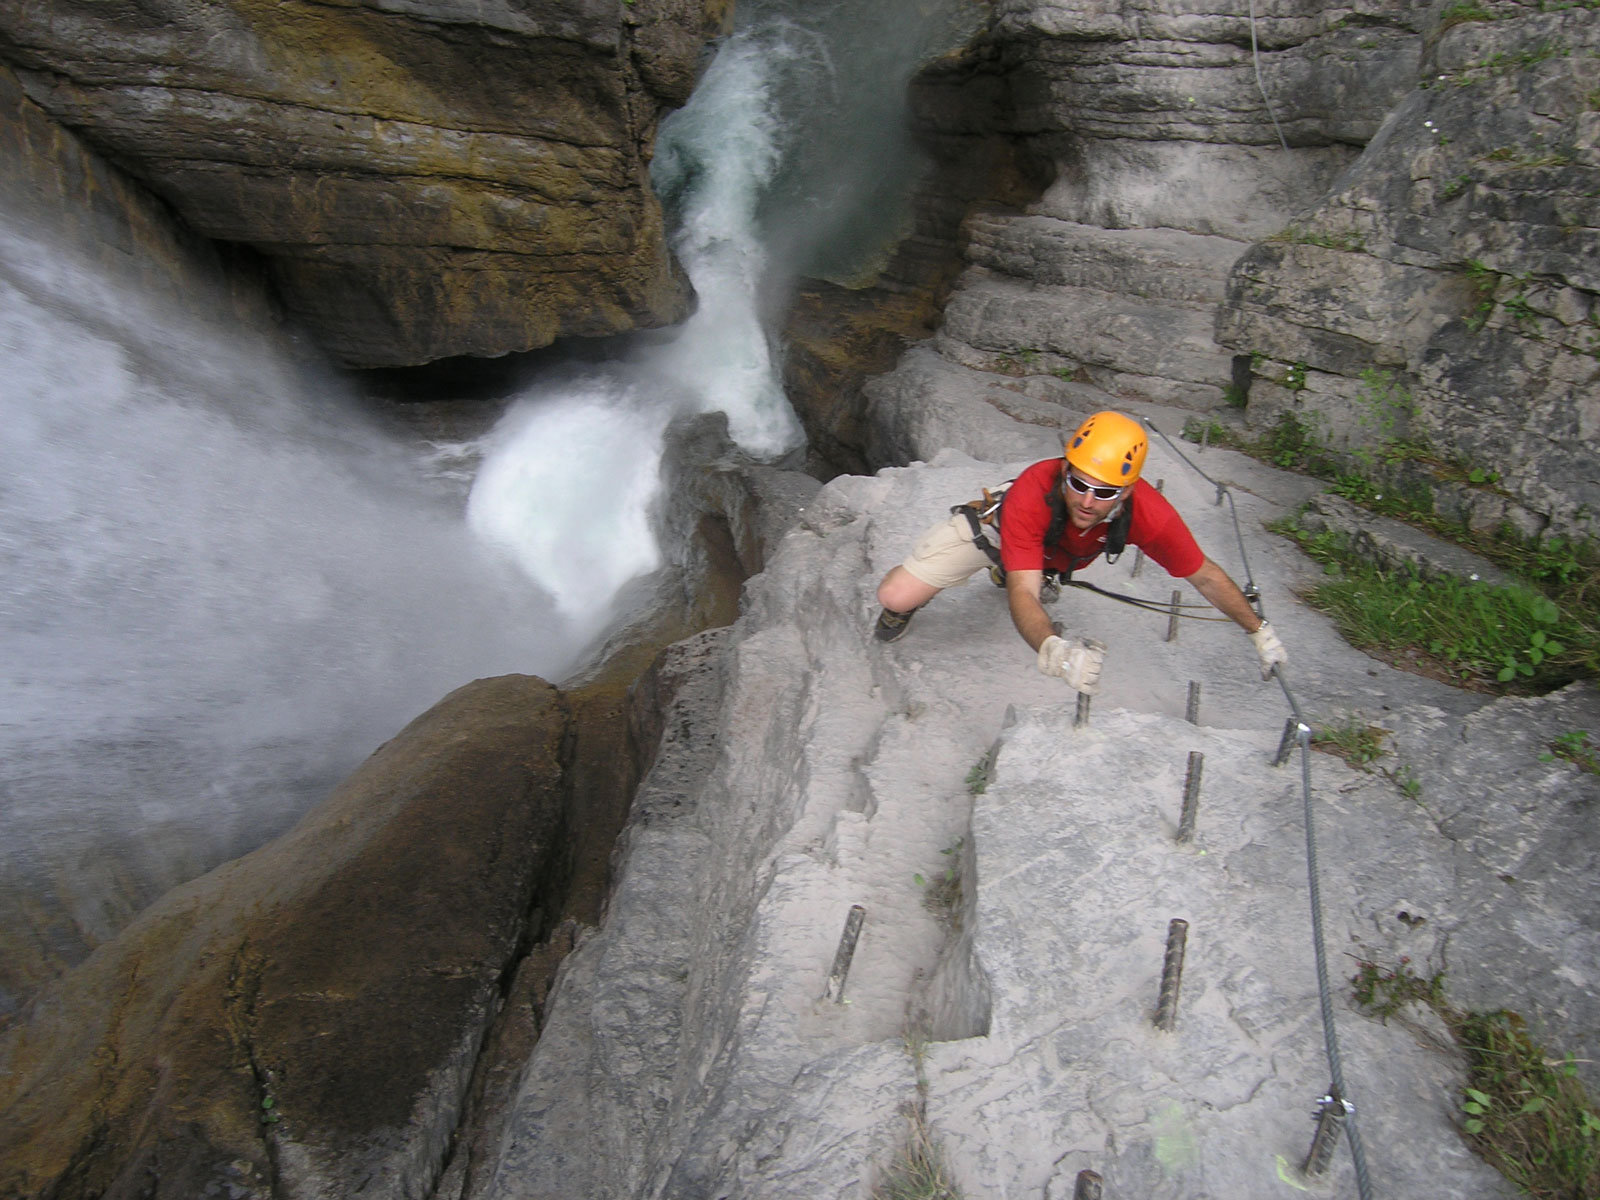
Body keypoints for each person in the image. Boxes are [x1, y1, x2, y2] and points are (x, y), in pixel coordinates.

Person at [872, 410, 1287, 693]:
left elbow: (1206, 576)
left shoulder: (1151, 516)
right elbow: (1025, 595)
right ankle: (988, 573)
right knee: (895, 593)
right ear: (1065, 471)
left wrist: (1258, 630)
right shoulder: (1034, 491)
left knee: (1032, 567)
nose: (1088, 501)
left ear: (1127, 491)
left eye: (1105, 492)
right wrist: (1054, 650)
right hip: (1002, 530)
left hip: (1054, 551)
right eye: (1079, 484)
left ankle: (1019, 567)